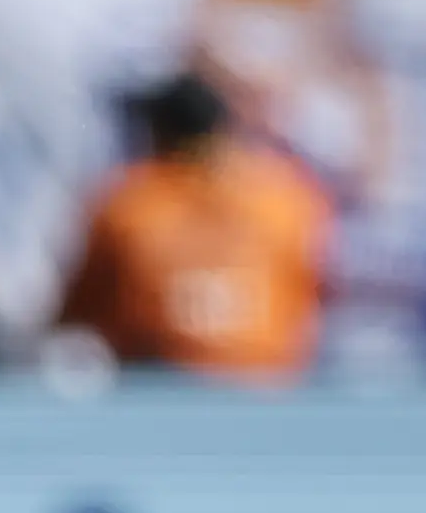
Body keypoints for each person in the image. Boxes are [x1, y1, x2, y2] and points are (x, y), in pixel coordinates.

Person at [54, 70, 334, 377]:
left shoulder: (129, 203)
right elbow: (315, 292)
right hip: (265, 379)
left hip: (158, 383)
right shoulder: (286, 198)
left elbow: (78, 312)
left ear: (158, 132)